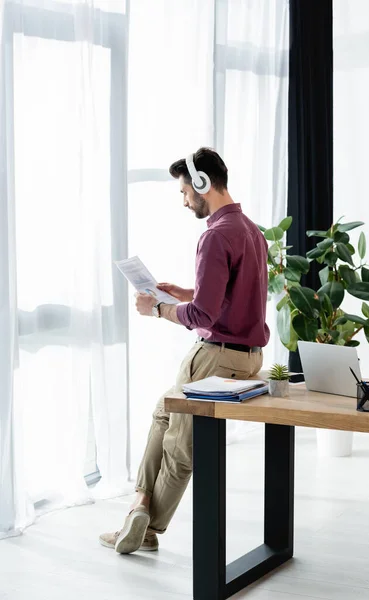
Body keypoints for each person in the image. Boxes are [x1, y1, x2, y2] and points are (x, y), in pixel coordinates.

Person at [100, 147, 269, 554]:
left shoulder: (214, 235)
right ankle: (139, 506)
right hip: (248, 355)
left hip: (215, 355)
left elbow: (201, 315)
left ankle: (149, 529)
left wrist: (157, 307)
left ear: (202, 184)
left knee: (181, 443)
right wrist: (187, 291)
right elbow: (233, 295)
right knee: (164, 413)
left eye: (184, 191)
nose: (184, 200)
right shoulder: (251, 230)